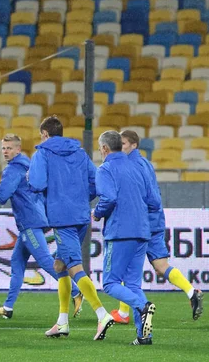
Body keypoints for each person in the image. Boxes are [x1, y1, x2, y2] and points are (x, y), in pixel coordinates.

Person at [28, 116, 113, 340]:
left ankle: (102, 314)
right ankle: (62, 322)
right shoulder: (80, 152)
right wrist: (80, 198)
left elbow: (36, 184)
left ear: (45, 134)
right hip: (81, 215)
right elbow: (95, 182)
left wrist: (30, 178)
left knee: (74, 266)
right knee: (60, 264)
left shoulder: (42, 153)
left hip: (61, 217)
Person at [112, 130, 203, 323]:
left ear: (134, 145)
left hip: (140, 222)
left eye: (124, 144)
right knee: (161, 266)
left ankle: (124, 313)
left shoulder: (129, 165)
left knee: (124, 263)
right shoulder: (145, 163)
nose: (121, 147)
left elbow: (145, 197)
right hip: (155, 221)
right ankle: (190, 291)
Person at [0, 134, 84, 319]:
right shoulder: (29, 165)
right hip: (34, 218)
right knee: (17, 263)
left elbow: (1, 198)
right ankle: (8, 308)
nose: (5, 152)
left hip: (29, 222)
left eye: (9, 148)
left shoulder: (13, 170)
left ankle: (75, 291)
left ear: (18, 149)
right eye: (3, 148)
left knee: (46, 261)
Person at [93, 130, 159, 345]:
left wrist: (97, 213)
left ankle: (142, 307)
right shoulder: (139, 165)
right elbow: (154, 201)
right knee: (132, 285)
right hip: (142, 231)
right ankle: (144, 336)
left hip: (121, 231)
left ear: (104, 148)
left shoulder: (106, 169)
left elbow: (109, 198)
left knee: (110, 283)